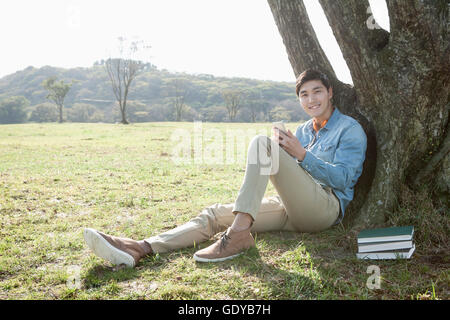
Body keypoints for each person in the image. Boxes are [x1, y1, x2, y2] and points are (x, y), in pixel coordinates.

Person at [83, 69, 367, 267]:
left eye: (317, 91)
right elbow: (293, 175)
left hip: (325, 209)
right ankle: (140, 248)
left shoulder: (350, 129)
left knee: (262, 143)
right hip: (292, 207)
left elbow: (343, 179)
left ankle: (239, 235)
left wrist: (302, 155)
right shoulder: (303, 130)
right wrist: (290, 156)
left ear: (330, 93)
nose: (311, 99)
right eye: (304, 95)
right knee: (215, 214)